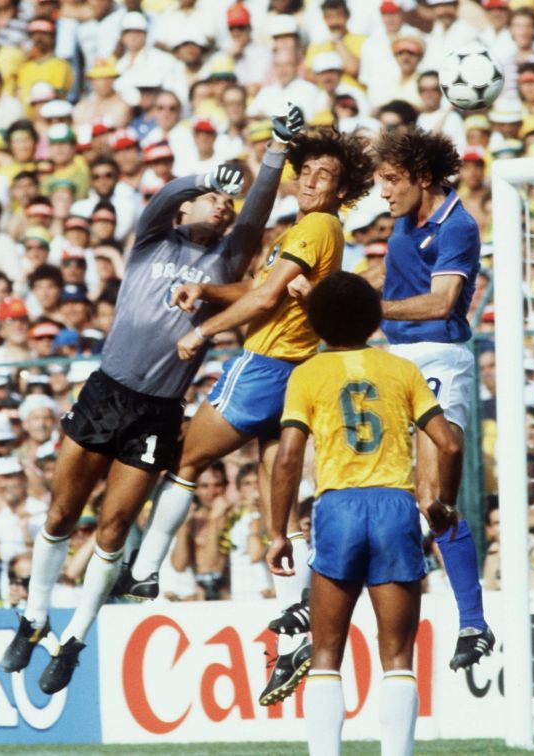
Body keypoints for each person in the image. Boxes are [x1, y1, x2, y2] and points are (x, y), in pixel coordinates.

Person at [0, 105, 303, 695]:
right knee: (62, 516)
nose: (222, 205)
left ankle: (75, 639)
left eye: (226, 204)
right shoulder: (149, 240)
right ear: (185, 206)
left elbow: (257, 210)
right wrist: (206, 177)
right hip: (105, 392)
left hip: (159, 408)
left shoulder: (225, 260)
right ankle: (34, 618)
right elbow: (167, 190)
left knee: (113, 529)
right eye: (211, 200)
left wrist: (272, 155)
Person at [116, 126, 375, 707]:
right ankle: (293, 619)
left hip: (264, 365)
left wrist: (201, 333)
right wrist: (205, 293)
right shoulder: (312, 230)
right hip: (294, 366)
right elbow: (262, 290)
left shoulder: (315, 227)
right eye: (306, 171)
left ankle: (148, 569)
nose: (311, 181)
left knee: (186, 459)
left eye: (325, 176)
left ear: (342, 189)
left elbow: (262, 302)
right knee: (273, 501)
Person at [266, 271, 461, 756]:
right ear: (375, 319)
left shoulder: (307, 373)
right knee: (397, 657)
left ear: (317, 322)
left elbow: (287, 457)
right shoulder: (400, 370)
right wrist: (444, 505)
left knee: (327, 654)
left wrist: (277, 532)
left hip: (339, 507)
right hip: (395, 506)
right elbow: (451, 443)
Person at [366, 126, 495, 670]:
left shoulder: (458, 226)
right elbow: (396, 276)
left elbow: (443, 302)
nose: (384, 192)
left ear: (423, 176)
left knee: (431, 501)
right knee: (369, 488)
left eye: (392, 180)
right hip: (396, 361)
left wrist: (368, 310)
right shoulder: (404, 217)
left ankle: (473, 622)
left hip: (440, 360)